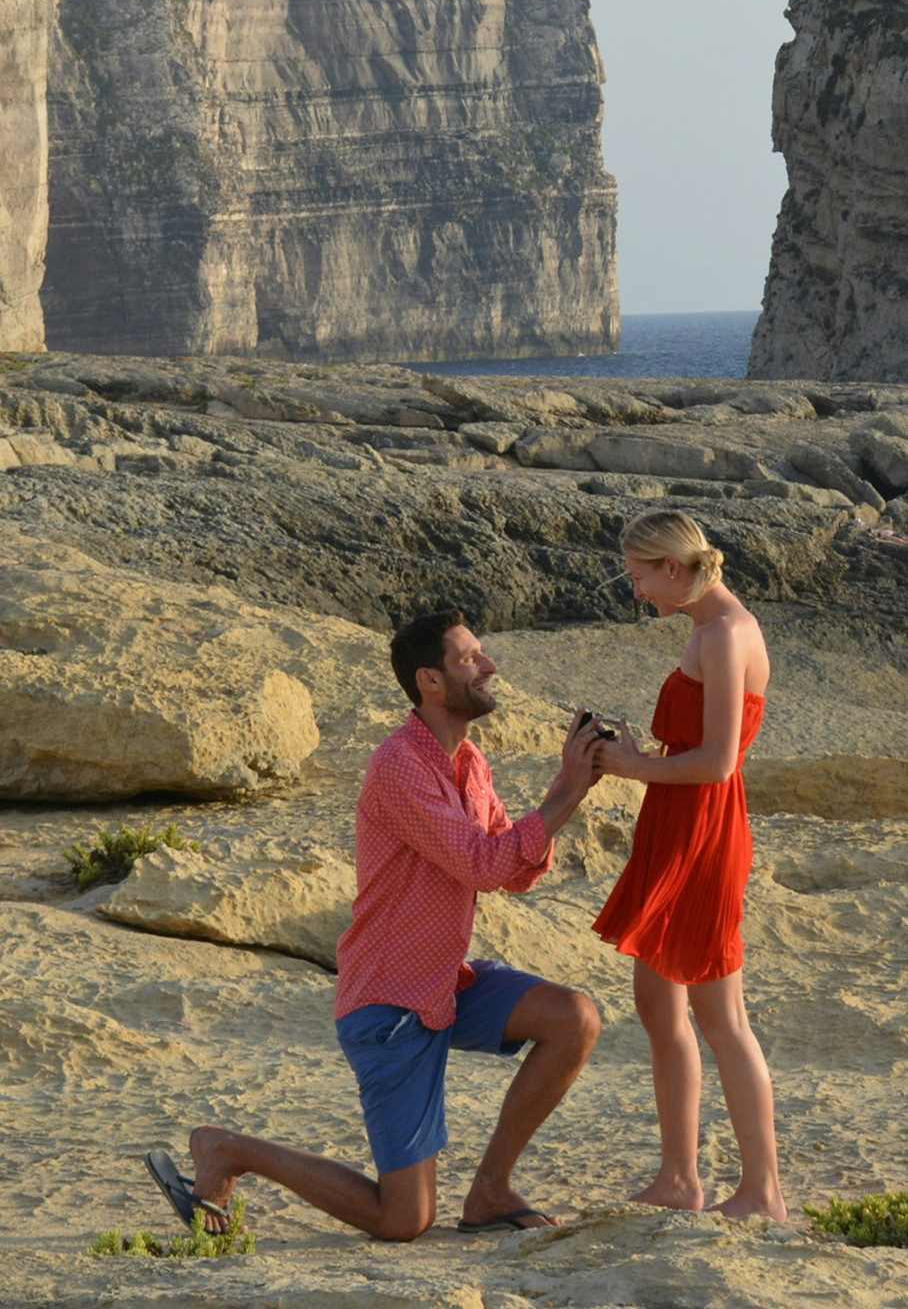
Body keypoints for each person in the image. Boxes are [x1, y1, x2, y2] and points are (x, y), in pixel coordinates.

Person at [144, 608, 603, 1244]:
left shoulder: (468, 761)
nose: (490, 665)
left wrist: (566, 789)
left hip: (447, 982)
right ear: (431, 682)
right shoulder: (398, 766)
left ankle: (491, 1190)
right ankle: (228, 1150)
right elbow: (484, 863)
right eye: (470, 657)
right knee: (404, 1221)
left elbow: (513, 869)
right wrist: (566, 790)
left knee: (572, 1018)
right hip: (389, 1005)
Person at [592, 509, 786, 1222]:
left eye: (639, 576)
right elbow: (695, 745)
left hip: (705, 830)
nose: (637, 592)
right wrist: (641, 754)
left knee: (719, 1013)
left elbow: (719, 762)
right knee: (658, 1002)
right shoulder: (707, 631)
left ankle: (762, 1191)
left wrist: (632, 765)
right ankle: (680, 1177)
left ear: (673, 568)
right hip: (676, 826)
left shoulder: (727, 633)